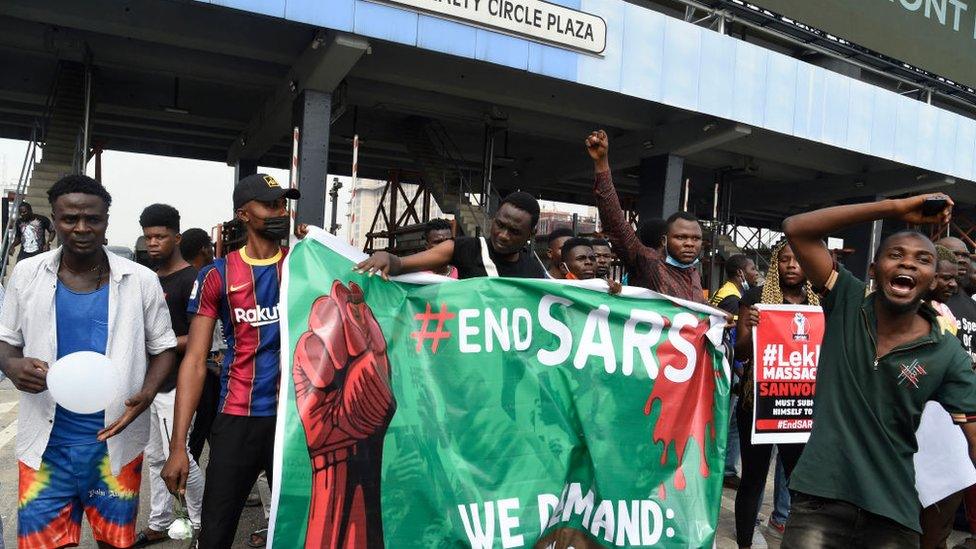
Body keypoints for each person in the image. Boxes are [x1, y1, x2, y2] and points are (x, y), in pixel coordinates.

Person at [780, 193, 976, 548]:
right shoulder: (847, 301)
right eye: (896, 254)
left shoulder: (947, 352)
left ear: (933, 280)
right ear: (874, 270)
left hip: (893, 513)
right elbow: (796, 229)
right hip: (820, 499)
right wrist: (895, 208)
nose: (909, 264)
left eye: (923, 260)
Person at [0, 175, 177, 549]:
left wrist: (146, 395)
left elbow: (164, 348)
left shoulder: (140, 280)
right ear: (56, 218)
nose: (81, 228)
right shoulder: (27, 276)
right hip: (45, 449)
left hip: (114, 448)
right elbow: (6, 340)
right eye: (69, 219)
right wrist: (11, 366)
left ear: (107, 221)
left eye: (92, 219)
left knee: (114, 543)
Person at [162, 173, 300, 548]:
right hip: (238, 418)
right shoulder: (217, 275)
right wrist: (179, 448)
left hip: (294, 423)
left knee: (300, 532)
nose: (280, 212)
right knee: (216, 533)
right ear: (244, 213)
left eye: (283, 204)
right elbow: (194, 361)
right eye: (270, 205)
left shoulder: (302, 267)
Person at [733, 242, 819, 548]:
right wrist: (752, 329)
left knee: (799, 479)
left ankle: (797, 537)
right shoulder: (755, 298)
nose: (792, 265)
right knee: (754, 478)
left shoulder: (818, 302)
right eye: (785, 260)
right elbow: (740, 353)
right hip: (757, 402)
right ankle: (744, 541)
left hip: (798, 404)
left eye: (798, 260)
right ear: (776, 264)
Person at [134, 205, 205, 546]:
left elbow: (203, 336)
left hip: (178, 384)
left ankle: (201, 522)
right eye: (148, 237)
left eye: (160, 236)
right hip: (148, 384)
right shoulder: (146, 278)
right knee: (156, 458)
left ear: (177, 238)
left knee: (181, 458)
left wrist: (159, 343)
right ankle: (160, 521)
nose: (152, 243)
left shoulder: (192, 279)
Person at [585, 130, 705, 303]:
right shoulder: (649, 262)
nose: (689, 243)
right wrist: (602, 164)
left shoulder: (693, 273)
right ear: (664, 241)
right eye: (681, 237)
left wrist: (721, 316)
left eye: (696, 238)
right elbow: (615, 224)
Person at [356, 191, 548, 280]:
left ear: (532, 234)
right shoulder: (466, 249)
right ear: (494, 218)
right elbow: (401, 264)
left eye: (514, 231)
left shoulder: (535, 273)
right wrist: (387, 258)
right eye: (499, 225)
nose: (504, 235)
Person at [179, 228, 220, 463]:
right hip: (206, 367)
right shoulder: (204, 278)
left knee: (208, 425)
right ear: (205, 249)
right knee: (205, 425)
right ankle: (188, 468)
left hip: (194, 366)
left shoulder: (185, 278)